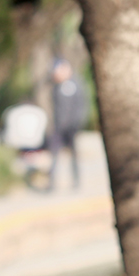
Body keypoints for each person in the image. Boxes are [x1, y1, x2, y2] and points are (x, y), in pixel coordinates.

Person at [48, 57, 87, 191]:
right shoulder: (56, 87)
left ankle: (76, 181)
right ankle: (52, 183)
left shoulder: (76, 84)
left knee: (73, 154)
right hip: (59, 127)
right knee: (54, 153)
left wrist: (77, 122)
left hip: (72, 126)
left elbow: (81, 105)